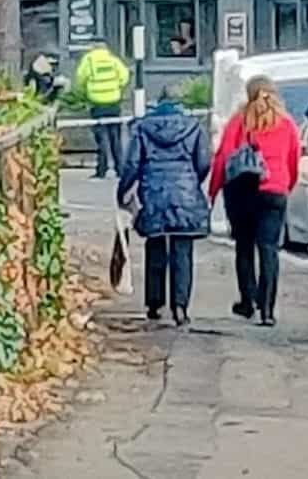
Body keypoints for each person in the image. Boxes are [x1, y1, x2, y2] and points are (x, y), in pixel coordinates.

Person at [208, 75, 301, 327]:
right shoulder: (287, 123)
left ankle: (247, 301)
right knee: (269, 249)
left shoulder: (239, 122)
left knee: (244, 247)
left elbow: (223, 158)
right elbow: (294, 159)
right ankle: (268, 309)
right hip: (275, 190)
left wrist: (212, 192)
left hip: (242, 191)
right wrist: (285, 186)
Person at [116, 85, 211, 327]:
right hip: (185, 193)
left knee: (155, 246)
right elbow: (203, 162)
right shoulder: (194, 127)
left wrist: (123, 191)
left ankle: (154, 303)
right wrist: (191, 182)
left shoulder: (143, 128)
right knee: (182, 250)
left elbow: (132, 164)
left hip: (153, 192)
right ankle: (180, 307)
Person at [74, 37, 130, 180]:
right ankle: (120, 169)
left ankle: (102, 169)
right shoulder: (113, 60)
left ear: (93, 46)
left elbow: (80, 78)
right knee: (115, 138)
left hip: (97, 103)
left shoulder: (89, 60)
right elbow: (124, 76)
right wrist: (116, 87)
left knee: (102, 138)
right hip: (113, 103)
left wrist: (87, 91)